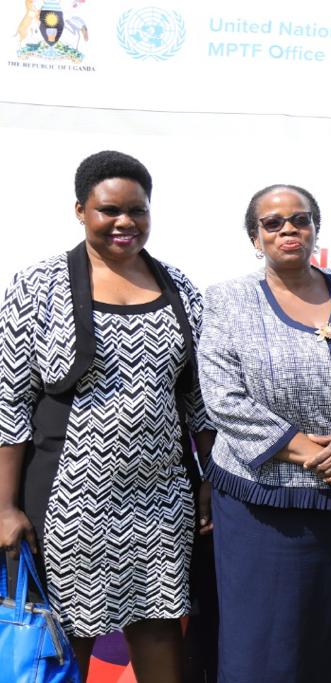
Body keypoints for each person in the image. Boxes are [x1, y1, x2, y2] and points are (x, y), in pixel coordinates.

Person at [0, 150, 215, 682]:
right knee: (63, 639)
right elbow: (8, 403)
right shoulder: (37, 288)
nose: (125, 222)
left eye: (137, 210)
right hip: (67, 500)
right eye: (109, 210)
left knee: (161, 628)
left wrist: (209, 480)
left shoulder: (179, 288)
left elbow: (199, 401)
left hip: (161, 499)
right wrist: (4, 507)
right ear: (80, 211)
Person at [197, 184, 331, 683]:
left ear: (316, 228)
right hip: (267, 511)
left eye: (300, 219)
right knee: (268, 647)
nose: (288, 229)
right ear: (255, 236)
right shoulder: (228, 301)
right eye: (273, 222)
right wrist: (327, 459)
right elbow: (224, 398)